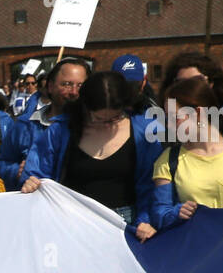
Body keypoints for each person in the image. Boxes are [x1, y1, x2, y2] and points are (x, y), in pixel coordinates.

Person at [20, 71, 158, 240]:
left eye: (115, 118)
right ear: (86, 107)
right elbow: (38, 172)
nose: (107, 125)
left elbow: (150, 184)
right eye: (99, 118)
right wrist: (31, 183)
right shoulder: (60, 131)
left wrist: (145, 220)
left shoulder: (143, 132)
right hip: (73, 222)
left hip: (126, 225)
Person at [150, 76, 223, 231]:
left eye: (174, 118)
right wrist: (176, 213)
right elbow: (159, 213)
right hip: (198, 250)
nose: (169, 126)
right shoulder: (167, 161)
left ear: (198, 113)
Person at [0, 58, 88, 192]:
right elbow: (2, 163)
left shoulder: (93, 126)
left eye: (80, 85)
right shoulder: (25, 124)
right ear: (50, 86)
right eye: (67, 84)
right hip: (37, 205)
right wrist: (18, 171)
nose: (74, 92)